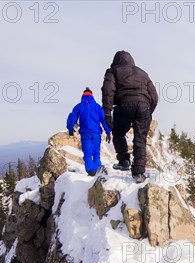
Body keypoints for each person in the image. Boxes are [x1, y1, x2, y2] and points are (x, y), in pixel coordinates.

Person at [102, 50, 158, 183]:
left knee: (118, 131)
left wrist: (107, 114)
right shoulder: (142, 73)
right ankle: (138, 173)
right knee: (140, 137)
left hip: (124, 105)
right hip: (144, 106)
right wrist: (149, 112)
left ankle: (124, 161)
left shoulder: (113, 71)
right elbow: (154, 96)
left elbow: (107, 92)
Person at [66, 87, 111, 176]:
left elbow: (72, 117)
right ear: (92, 96)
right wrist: (108, 131)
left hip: (85, 133)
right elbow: (104, 120)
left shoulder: (79, 106)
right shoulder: (97, 107)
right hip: (96, 134)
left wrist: (71, 129)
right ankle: (97, 171)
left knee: (87, 153)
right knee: (96, 153)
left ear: (83, 96)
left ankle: (91, 171)